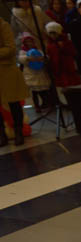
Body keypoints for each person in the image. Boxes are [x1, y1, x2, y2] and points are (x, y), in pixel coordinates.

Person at [0, 17, 29, 147]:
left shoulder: (3, 25)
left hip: (6, 69)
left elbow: (10, 48)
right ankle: (2, 134)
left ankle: (18, 131)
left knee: (14, 102)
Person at [45, 21, 80, 89]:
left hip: (68, 68)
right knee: (63, 87)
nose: (52, 36)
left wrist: (63, 47)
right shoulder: (50, 44)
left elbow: (73, 52)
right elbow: (50, 55)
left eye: (54, 33)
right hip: (58, 69)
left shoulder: (66, 41)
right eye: (50, 34)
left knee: (73, 86)